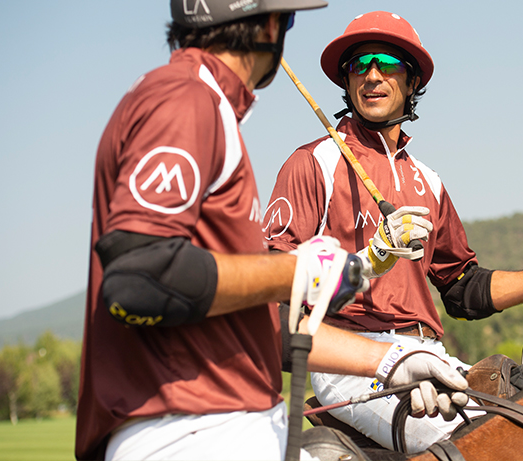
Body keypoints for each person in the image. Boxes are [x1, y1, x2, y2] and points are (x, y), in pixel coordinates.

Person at [76, 3, 469, 460]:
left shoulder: (205, 105)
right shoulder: (185, 97)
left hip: (232, 421)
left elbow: (255, 319)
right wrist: (294, 272)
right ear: (269, 25)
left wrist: (390, 361)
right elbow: (140, 276)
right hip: (191, 427)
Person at [264, 10, 523, 453]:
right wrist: (367, 264)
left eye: (388, 65)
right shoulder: (313, 163)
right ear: (346, 80)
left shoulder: (428, 181)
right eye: (360, 65)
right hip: (350, 359)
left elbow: (463, 290)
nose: (373, 76)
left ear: (412, 82)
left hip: (429, 353)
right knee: (487, 447)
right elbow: (277, 283)